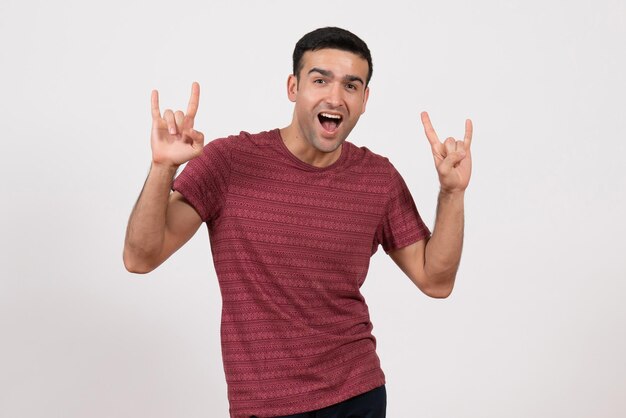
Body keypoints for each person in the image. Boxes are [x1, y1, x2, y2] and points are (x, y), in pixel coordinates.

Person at [123, 27, 473, 418]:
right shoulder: (229, 163)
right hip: (265, 405)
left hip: (356, 395)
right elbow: (141, 257)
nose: (335, 98)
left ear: (364, 100)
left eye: (351, 86)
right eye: (320, 80)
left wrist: (452, 194)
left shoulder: (378, 179)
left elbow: (435, 280)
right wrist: (162, 168)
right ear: (293, 87)